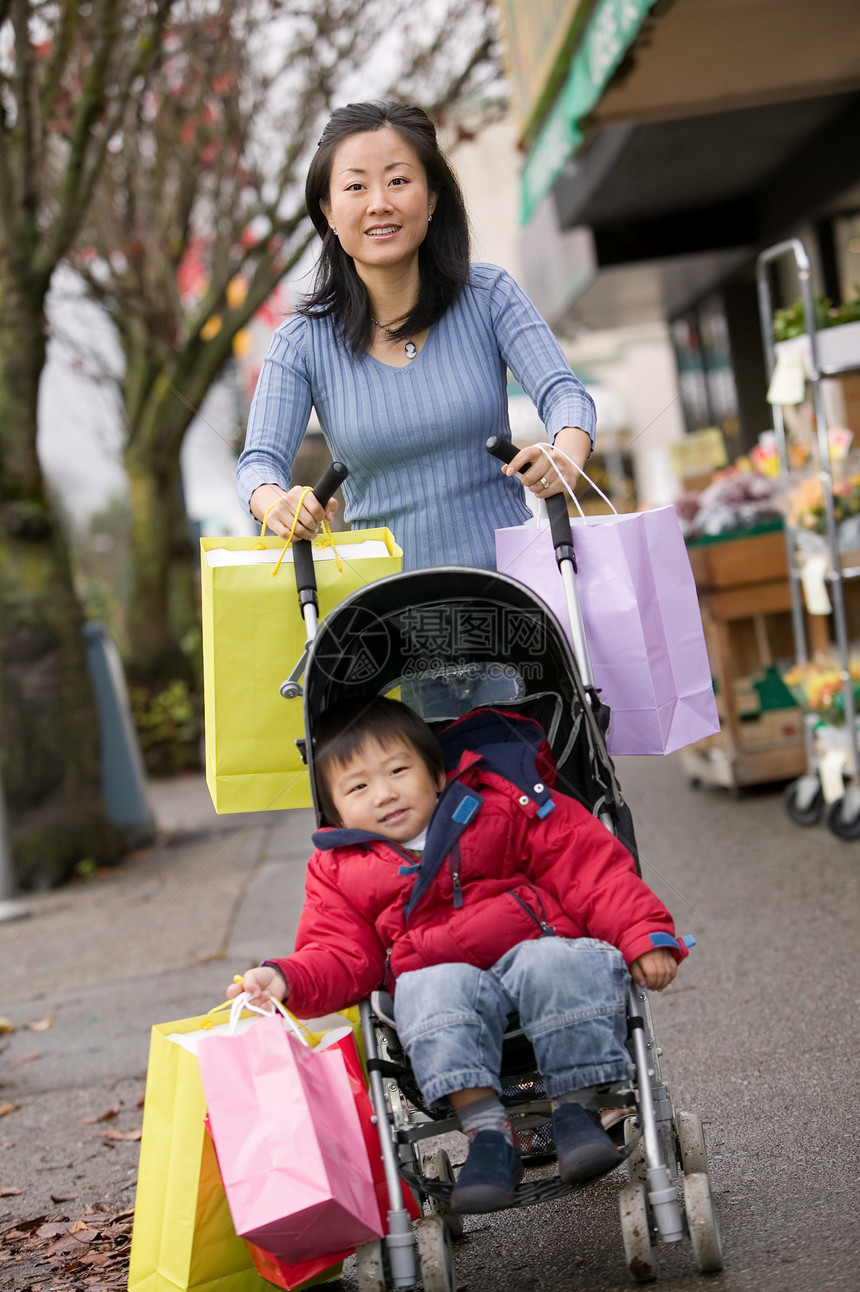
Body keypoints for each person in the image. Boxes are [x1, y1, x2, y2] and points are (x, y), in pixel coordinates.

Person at [227, 697, 687, 1214]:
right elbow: (337, 951)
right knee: (425, 989)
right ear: (334, 810)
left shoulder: (502, 805)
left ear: (438, 774)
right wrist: (284, 977)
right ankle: (488, 1134)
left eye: (399, 771)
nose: (385, 794)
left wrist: (643, 933)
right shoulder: (339, 869)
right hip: (442, 985)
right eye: (358, 787)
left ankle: (576, 1109)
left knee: (558, 961)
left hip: (534, 953)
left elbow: (589, 871)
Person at [235, 100, 596, 572]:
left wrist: (564, 457)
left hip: (517, 593)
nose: (379, 202)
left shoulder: (489, 295)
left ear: (431, 198)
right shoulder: (300, 342)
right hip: (387, 618)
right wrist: (277, 503)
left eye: (398, 180)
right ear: (328, 211)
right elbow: (257, 465)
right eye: (355, 186)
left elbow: (565, 395)